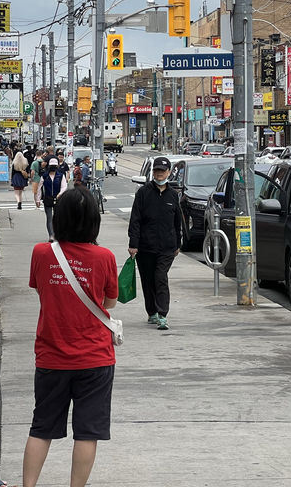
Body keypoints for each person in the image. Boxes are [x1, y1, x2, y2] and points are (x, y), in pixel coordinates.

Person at [23, 186, 118, 487]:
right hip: (95, 358)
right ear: (93, 220)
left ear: (59, 218)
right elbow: (110, 303)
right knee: (88, 432)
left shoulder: (41, 253)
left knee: (42, 427)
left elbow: (41, 289)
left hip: (51, 356)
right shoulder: (104, 257)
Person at [128, 156, 181, 330]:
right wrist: (133, 244)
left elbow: (177, 222)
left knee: (160, 277)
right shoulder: (143, 193)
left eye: (163, 171)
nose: (159, 174)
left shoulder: (173, 195)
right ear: (153, 172)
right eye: (157, 171)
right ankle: (151, 311)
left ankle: (163, 314)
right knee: (148, 279)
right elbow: (135, 220)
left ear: (169, 172)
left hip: (167, 247)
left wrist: (178, 244)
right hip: (145, 246)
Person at [35, 158, 67, 242]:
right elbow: (39, 188)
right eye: (51, 166)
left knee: (58, 217)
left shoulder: (60, 176)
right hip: (48, 199)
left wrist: (60, 194)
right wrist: (38, 199)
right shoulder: (44, 176)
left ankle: (58, 234)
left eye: (54, 166)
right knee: (49, 218)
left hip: (58, 199)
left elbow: (64, 186)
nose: (53, 167)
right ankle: (51, 235)